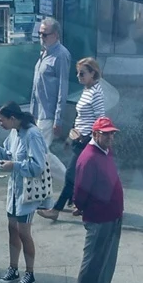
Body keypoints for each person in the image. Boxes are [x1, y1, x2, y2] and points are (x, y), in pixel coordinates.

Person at [43, 57, 119, 222]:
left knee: (71, 175)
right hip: (79, 139)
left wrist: (87, 137)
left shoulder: (96, 93)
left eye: (82, 73)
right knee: (80, 176)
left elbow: (100, 119)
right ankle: (80, 204)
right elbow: (80, 116)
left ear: (93, 73)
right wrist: (72, 136)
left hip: (87, 141)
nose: (79, 76)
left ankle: (56, 209)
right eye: (78, 73)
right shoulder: (87, 90)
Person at [69, 116, 124, 283]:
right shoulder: (89, 158)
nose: (111, 137)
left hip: (113, 215)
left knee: (107, 262)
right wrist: (79, 206)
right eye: (106, 133)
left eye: (112, 133)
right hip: (99, 219)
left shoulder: (105, 151)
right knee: (92, 264)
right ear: (95, 134)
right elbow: (80, 190)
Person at [0, 102, 47, 283]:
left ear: (12, 118)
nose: (0, 124)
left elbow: (37, 166)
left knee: (23, 232)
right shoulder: (14, 133)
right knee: (12, 229)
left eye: (1, 120)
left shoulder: (32, 134)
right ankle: (13, 268)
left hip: (27, 193)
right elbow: (8, 152)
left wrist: (15, 166)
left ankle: (30, 273)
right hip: (14, 191)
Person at [29, 17, 72, 153]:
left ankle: (60, 174)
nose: (41, 37)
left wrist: (57, 120)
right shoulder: (44, 52)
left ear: (55, 35)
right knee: (41, 154)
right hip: (37, 113)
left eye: (45, 34)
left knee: (39, 153)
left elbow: (62, 89)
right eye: (40, 33)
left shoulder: (60, 55)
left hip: (48, 115)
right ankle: (60, 174)